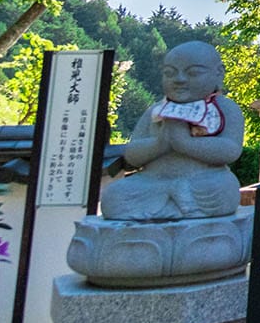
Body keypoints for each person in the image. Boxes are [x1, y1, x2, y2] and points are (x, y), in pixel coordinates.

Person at [101, 41, 245, 221]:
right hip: (153, 182)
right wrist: (159, 144)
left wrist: (186, 144)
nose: (180, 79)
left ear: (219, 73)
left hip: (203, 179)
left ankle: (173, 201)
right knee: (114, 195)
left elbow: (230, 150)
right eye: (170, 73)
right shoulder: (157, 111)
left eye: (193, 73)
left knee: (224, 188)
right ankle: (173, 198)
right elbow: (132, 154)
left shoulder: (224, 109)